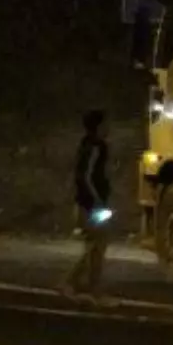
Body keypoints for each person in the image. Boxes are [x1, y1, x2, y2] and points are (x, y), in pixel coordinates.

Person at [59, 110, 117, 306]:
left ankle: (83, 286)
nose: (108, 128)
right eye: (105, 125)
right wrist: (98, 200)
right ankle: (78, 284)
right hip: (92, 205)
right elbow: (86, 175)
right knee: (97, 246)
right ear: (98, 126)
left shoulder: (87, 144)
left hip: (90, 203)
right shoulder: (95, 146)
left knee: (95, 246)